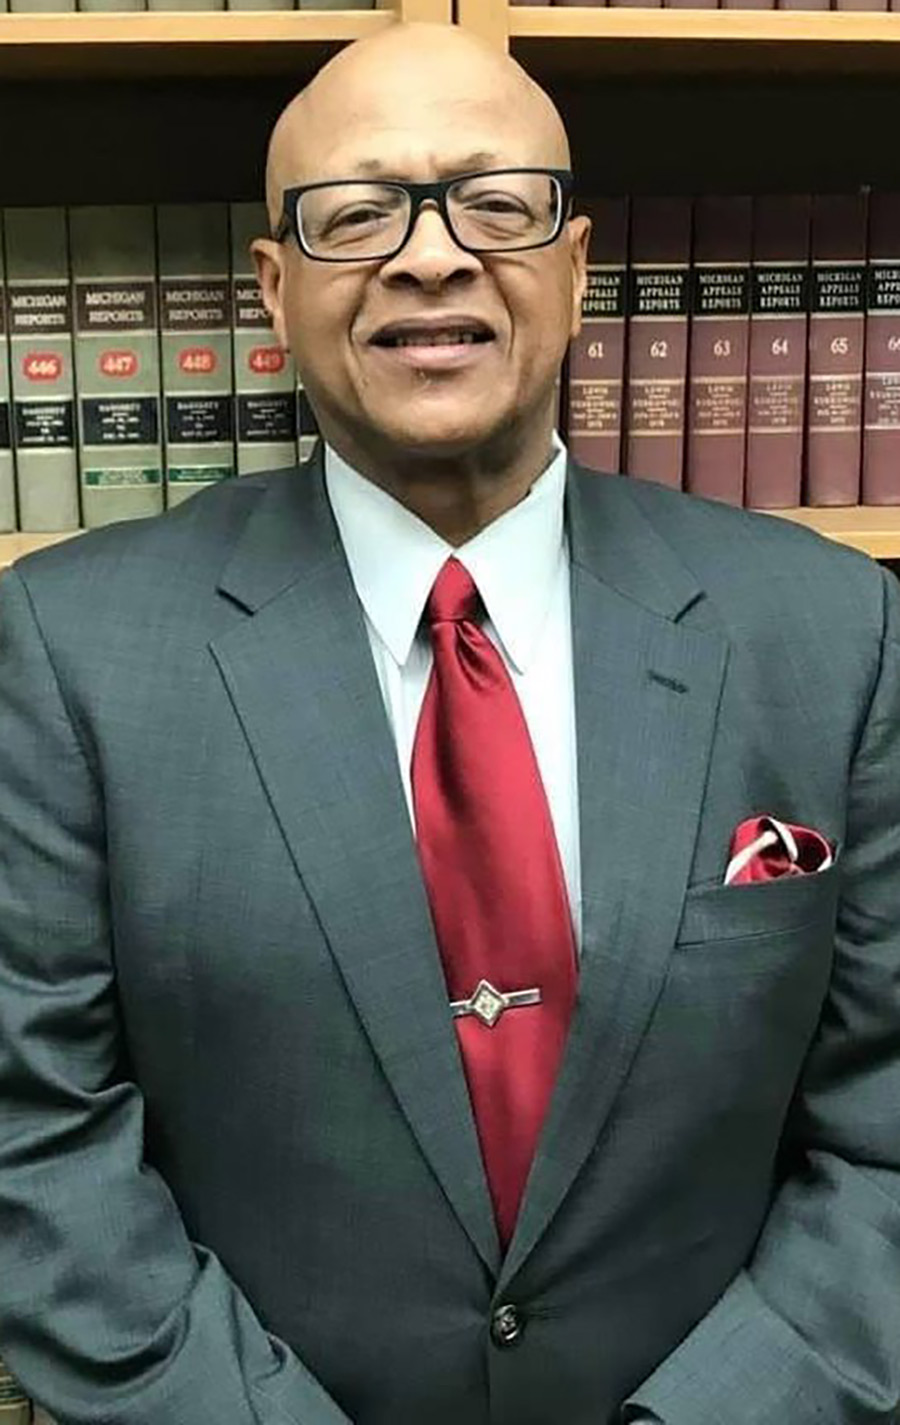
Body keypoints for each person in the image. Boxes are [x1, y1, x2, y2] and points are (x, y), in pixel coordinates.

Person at [0, 20, 898, 1425]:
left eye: (497, 201)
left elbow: (887, 1126)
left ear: (580, 266)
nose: (433, 254)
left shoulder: (833, 634)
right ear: (274, 290)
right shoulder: (69, 649)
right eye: (359, 212)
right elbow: (33, 1138)